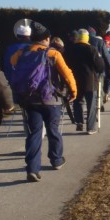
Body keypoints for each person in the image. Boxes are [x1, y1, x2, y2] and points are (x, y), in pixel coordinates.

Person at [10, 21, 77, 182]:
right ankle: (56, 160)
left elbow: (13, 65)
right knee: (53, 130)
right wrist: (73, 91)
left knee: (35, 133)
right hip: (51, 99)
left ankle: (32, 168)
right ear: (46, 38)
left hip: (30, 99)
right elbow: (67, 73)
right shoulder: (53, 54)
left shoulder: (21, 53)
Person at [64, 29, 105, 134]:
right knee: (91, 104)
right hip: (90, 80)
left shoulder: (70, 49)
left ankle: (79, 121)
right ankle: (90, 127)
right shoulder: (91, 49)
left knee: (77, 101)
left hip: (75, 79)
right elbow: (100, 66)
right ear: (87, 38)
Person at [3, 19, 33, 83]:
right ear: (30, 36)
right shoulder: (35, 48)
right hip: (31, 83)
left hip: (13, 82)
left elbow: (7, 67)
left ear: (17, 36)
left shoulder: (10, 48)